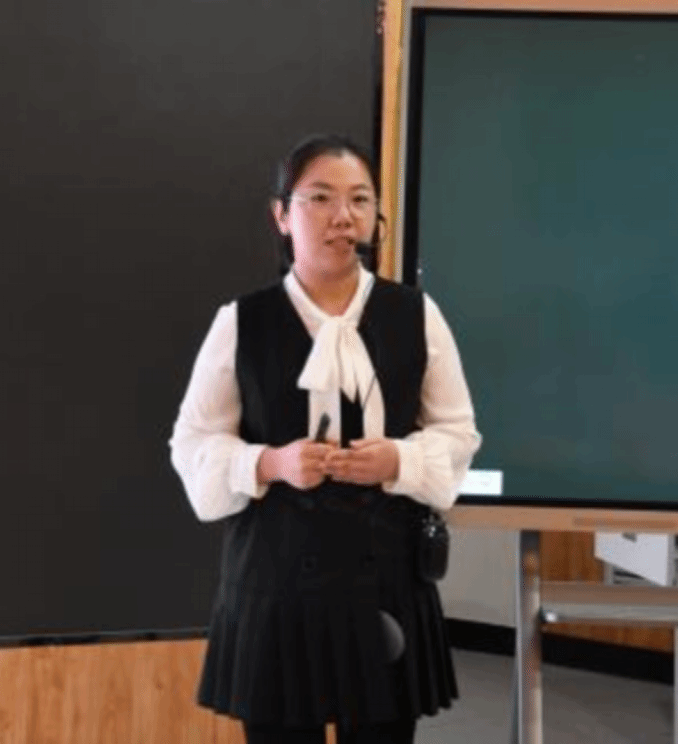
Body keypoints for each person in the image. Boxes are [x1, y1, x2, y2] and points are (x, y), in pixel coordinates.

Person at [169, 134, 481, 744]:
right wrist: (269, 463)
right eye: (321, 198)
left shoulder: (417, 315)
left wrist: (399, 460)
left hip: (386, 579)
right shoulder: (242, 321)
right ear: (282, 215)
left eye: (360, 200)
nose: (344, 216)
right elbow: (193, 441)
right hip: (276, 584)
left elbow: (457, 431)